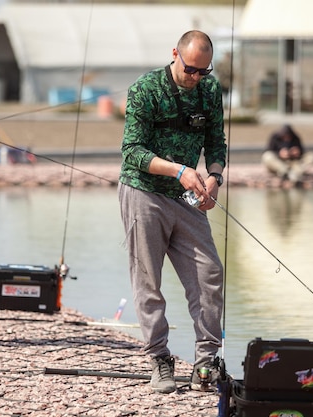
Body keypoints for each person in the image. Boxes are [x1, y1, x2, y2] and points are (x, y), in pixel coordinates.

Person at [118, 30, 226, 394]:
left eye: (203, 71)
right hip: (144, 192)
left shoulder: (210, 91)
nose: (195, 78)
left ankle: (206, 361)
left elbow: (216, 142)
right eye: (190, 69)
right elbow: (131, 150)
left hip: (188, 198)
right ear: (175, 54)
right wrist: (178, 170)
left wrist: (214, 177)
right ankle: (160, 359)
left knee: (210, 273)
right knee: (148, 280)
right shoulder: (145, 88)